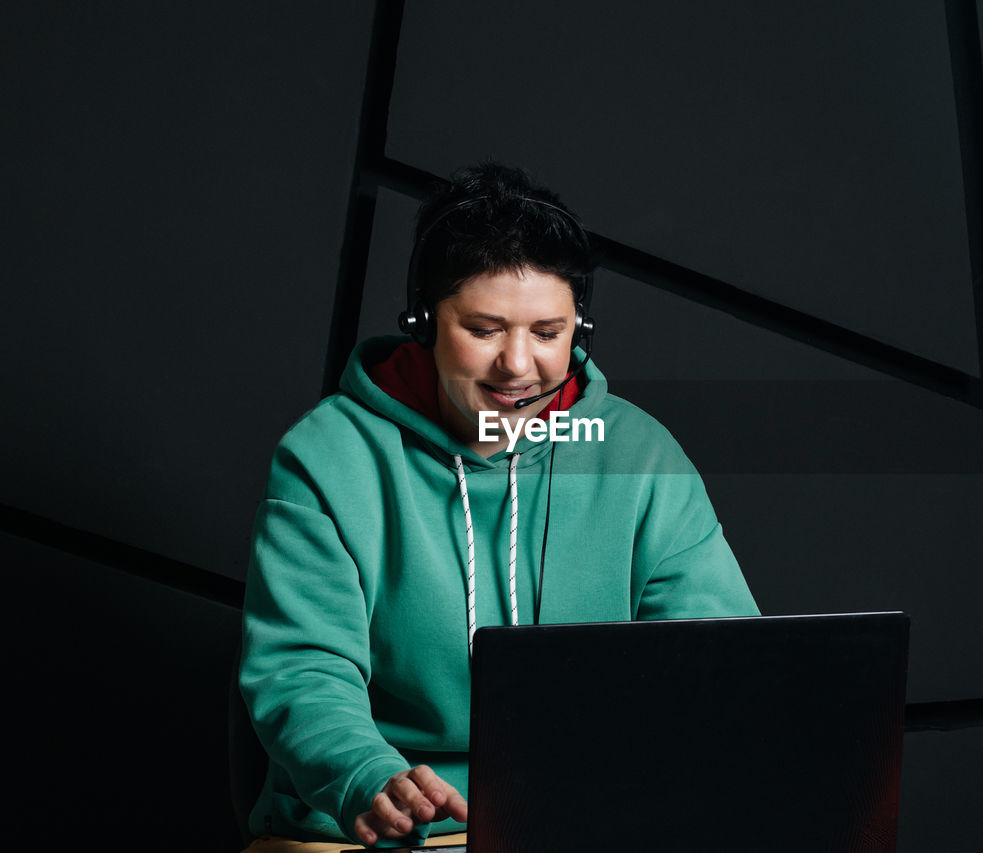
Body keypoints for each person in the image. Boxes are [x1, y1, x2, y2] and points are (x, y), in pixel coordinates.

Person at [238, 162, 758, 848]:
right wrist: (364, 774)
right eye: (484, 329)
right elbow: (304, 666)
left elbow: (724, 660)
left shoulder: (638, 452)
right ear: (423, 322)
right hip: (376, 833)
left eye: (548, 332)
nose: (519, 365)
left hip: (590, 825)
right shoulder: (329, 457)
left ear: (582, 331)